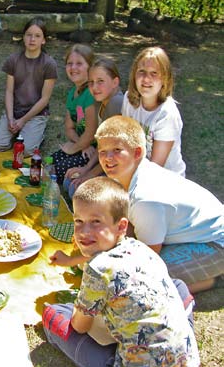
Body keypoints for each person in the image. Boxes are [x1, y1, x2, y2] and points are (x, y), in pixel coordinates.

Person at [43, 177, 200, 367]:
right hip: (186, 360)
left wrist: (79, 309)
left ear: (121, 226)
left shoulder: (97, 269)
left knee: (55, 313)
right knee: (178, 286)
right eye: (78, 221)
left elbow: (79, 326)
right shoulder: (141, 249)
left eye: (95, 222)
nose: (84, 231)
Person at [96, 115, 224, 293]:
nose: (108, 158)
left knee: (137, 279)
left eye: (117, 150)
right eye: (102, 151)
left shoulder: (145, 199)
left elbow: (149, 256)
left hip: (216, 243)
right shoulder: (128, 174)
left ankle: (211, 281)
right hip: (191, 232)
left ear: (138, 152)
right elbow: (130, 227)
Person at [0, 17, 58, 156]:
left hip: (36, 114)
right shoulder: (13, 60)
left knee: (25, 151)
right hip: (15, 111)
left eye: (37, 36)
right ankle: (18, 132)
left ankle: (36, 133)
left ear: (43, 40)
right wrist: (10, 118)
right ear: (23, 37)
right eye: (29, 35)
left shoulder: (49, 64)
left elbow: (45, 99)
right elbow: (9, 91)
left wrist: (23, 120)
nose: (32, 39)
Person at [63, 57, 123, 199]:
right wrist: (86, 168)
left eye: (100, 81)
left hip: (119, 170)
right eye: (91, 82)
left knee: (77, 190)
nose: (95, 87)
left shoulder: (116, 104)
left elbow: (114, 155)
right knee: (69, 182)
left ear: (115, 82)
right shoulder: (102, 103)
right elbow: (103, 146)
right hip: (107, 163)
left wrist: (89, 174)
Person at [122, 46, 186, 176]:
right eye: (141, 71)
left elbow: (155, 168)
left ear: (164, 79)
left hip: (164, 180)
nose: (146, 79)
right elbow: (125, 140)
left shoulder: (167, 114)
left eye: (154, 73)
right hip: (134, 168)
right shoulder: (129, 99)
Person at [51, 44, 96, 184]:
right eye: (69, 63)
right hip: (84, 145)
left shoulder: (91, 94)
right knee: (50, 160)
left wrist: (74, 148)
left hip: (95, 151)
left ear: (90, 67)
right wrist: (81, 144)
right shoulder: (72, 93)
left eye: (79, 64)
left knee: (59, 168)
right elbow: (69, 128)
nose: (73, 68)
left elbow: (90, 132)